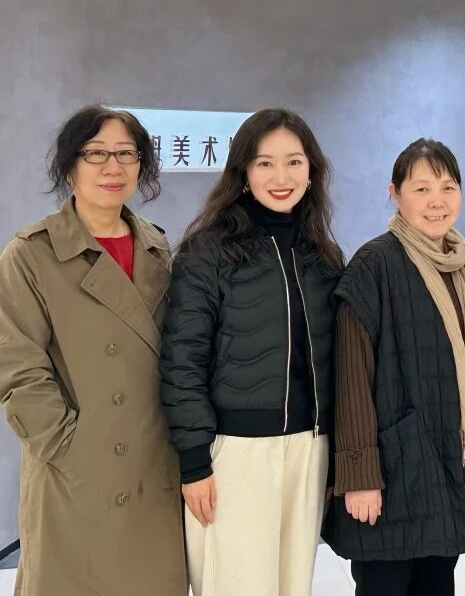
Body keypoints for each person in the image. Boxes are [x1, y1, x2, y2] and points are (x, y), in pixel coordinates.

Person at [0, 105, 186, 595]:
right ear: (70, 167)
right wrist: (68, 446)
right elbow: (17, 368)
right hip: (75, 471)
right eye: (96, 153)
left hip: (152, 466)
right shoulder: (31, 254)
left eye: (126, 154)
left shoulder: (158, 249)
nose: (112, 167)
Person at [161, 107, 343, 596]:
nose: (281, 177)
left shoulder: (322, 256)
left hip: (309, 448)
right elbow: (182, 362)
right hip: (235, 454)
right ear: (243, 172)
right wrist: (195, 464)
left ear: (311, 171)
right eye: (265, 163)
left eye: (294, 162)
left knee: (291, 586)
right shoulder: (207, 252)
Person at [324, 138, 465, 596]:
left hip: (445, 469)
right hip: (391, 476)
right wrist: (360, 477)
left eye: (448, 187)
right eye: (421, 189)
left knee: (437, 585)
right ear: (395, 194)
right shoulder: (373, 265)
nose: (437, 200)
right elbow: (351, 378)